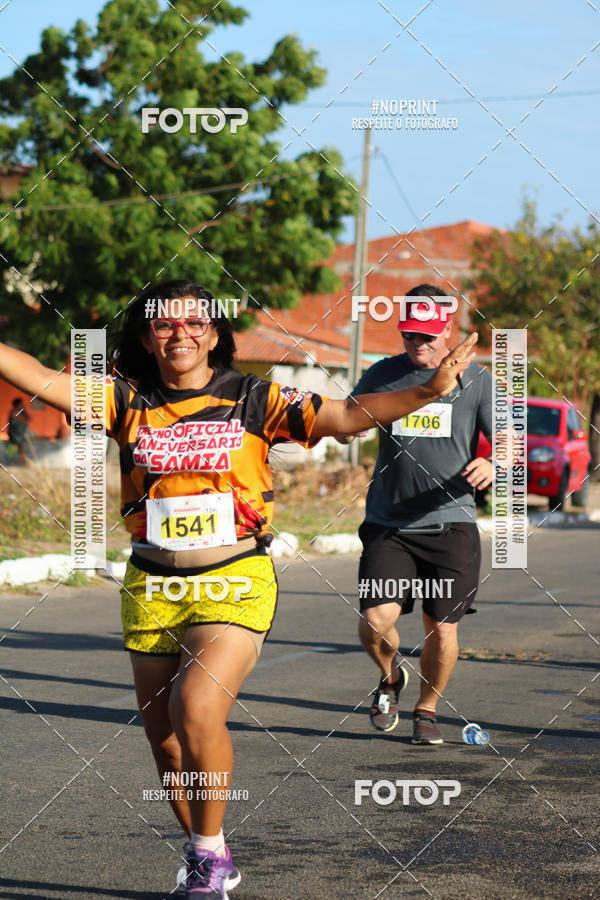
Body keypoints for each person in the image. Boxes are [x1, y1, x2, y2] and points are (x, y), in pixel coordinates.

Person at [0, 279, 476, 897]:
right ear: (147, 336)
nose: (180, 333)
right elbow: (36, 374)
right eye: (164, 324)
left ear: (215, 334)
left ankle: (202, 859)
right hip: (151, 584)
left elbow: (345, 417)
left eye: (194, 323)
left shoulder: (253, 398)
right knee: (166, 744)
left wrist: (428, 392)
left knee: (195, 708)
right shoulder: (124, 401)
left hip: (235, 579)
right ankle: (213, 850)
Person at [347, 284, 495, 746]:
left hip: (451, 521)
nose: (422, 345)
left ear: (448, 330)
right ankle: (391, 678)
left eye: (430, 336)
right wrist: (345, 429)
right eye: (412, 336)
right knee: (375, 620)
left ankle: (426, 710)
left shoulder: (479, 380)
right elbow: (348, 418)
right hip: (390, 523)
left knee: (441, 628)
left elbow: (513, 441)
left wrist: (494, 461)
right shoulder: (382, 375)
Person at [7, 397, 31, 466]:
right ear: (18, 404)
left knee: (22, 447)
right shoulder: (14, 412)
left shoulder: (21, 412)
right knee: (21, 447)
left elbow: (29, 419)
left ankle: (22, 462)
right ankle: (22, 463)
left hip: (20, 434)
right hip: (15, 434)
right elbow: (24, 419)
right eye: (21, 404)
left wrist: (24, 410)